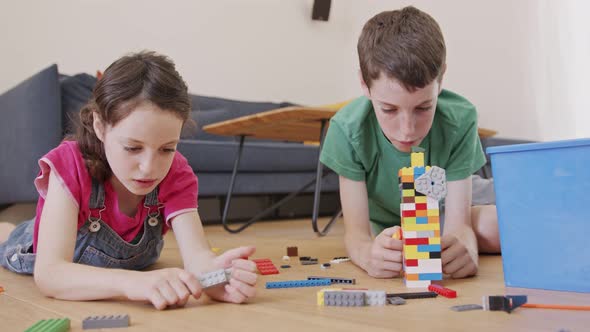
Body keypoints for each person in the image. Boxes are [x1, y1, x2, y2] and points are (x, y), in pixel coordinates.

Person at [0, 51, 257, 309]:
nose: (149, 168)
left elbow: (197, 255)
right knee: (12, 236)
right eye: (133, 148)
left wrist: (213, 275)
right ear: (99, 126)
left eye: (167, 149)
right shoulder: (69, 165)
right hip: (33, 244)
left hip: (113, 268)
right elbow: (50, 275)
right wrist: (133, 284)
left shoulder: (177, 173)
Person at [319, 6, 500, 280]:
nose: (407, 131)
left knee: (497, 224)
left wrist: (466, 246)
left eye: (423, 108)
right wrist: (369, 256)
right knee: (483, 229)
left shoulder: (460, 118)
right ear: (364, 85)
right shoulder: (347, 130)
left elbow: (459, 226)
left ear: (441, 81)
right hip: (402, 221)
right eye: (389, 110)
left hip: (458, 195)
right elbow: (356, 236)